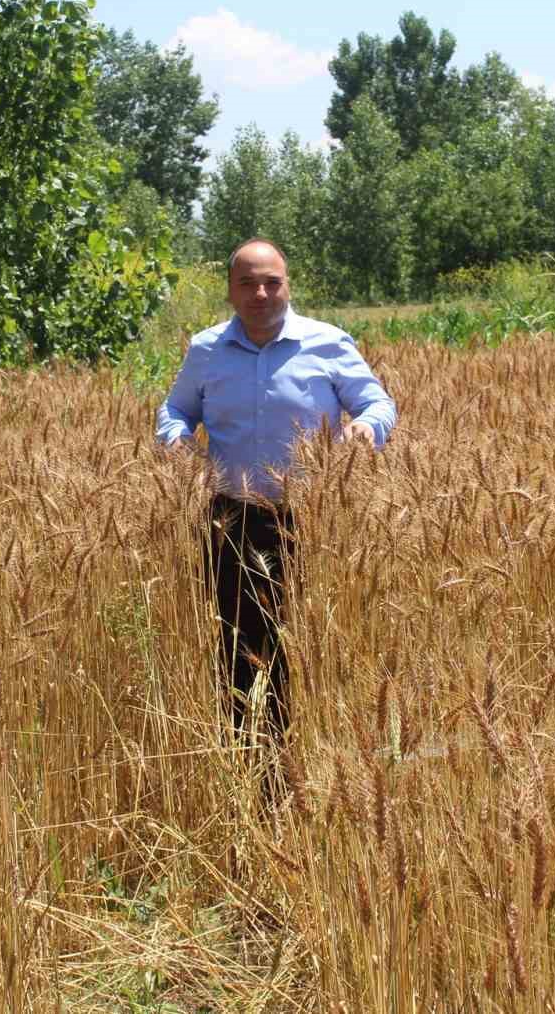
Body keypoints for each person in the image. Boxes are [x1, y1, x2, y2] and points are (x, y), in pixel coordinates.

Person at [156, 238, 397, 742]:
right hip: (232, 522)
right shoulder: (206, 350)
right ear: (230, 291)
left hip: (313, 523)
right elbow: (175, 410)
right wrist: (176, 440)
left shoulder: (328, 343)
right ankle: (249, 758)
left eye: (271, 282)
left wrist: (366, 429)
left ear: (288, 286)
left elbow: (377, 404)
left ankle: (311, 751)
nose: (260, 293)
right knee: (236, 648)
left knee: (309, 645)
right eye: (247, 283)